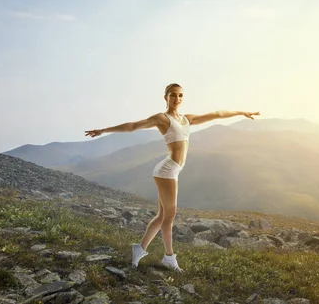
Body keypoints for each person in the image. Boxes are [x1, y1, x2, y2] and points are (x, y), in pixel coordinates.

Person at [84, 83, 259, 272]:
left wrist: (242, 112)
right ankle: (169, 258)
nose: (177, 99)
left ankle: (140, 248)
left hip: (172, 170)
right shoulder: (162, 118)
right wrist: (103, 130)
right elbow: (134, 126)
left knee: (161, 216)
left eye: (180, 95)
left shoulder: (187, 119)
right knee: (170, 215)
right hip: (167, 171)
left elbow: (217, 114)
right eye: (173, 95)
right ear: (166, 97)